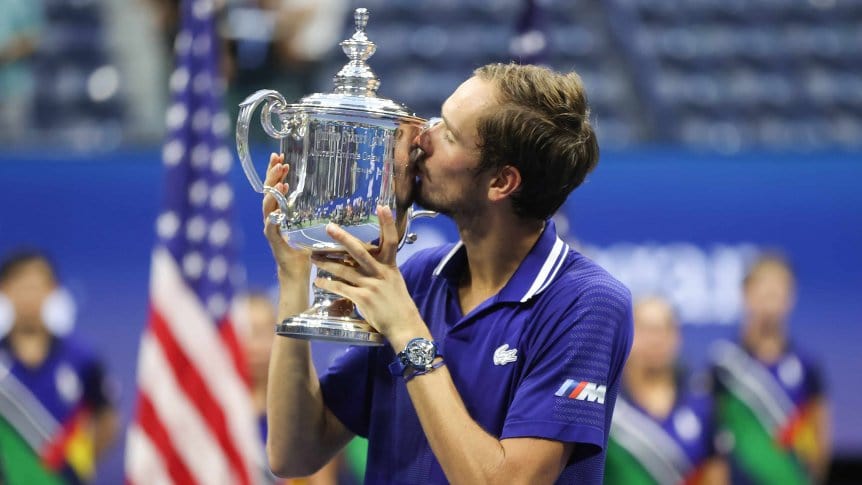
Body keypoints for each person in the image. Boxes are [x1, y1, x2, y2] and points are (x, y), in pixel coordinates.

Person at [261, 63, 633, 484]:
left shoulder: (587, 303)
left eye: (450, 134)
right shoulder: (417, 276)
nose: (422, 136)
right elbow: (293, 452)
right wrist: (293, 276)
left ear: (501, 182)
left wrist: (408, 334)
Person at [0, 250, 119, 484]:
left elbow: (107, 419)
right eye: (21, 286)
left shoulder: (82, 358)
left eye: (37, 286)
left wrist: (78, 466)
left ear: (52, 290)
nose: (29, 296)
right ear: (5, 289)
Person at [710, 254, 831, 484]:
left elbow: (820, 437)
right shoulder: (723, 364)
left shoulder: (807, 365)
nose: (769, 303)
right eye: (763, 293)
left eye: (777, 293)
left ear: (790, 297)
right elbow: (711, 439)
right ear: (746, 295)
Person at [605, 296, 727, 485]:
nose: (655, 340)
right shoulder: (605, 402)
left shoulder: (701, 400)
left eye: (663, 329)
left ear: (676, 336)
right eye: (645, 329)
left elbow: (715, 474)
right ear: (626, 335)